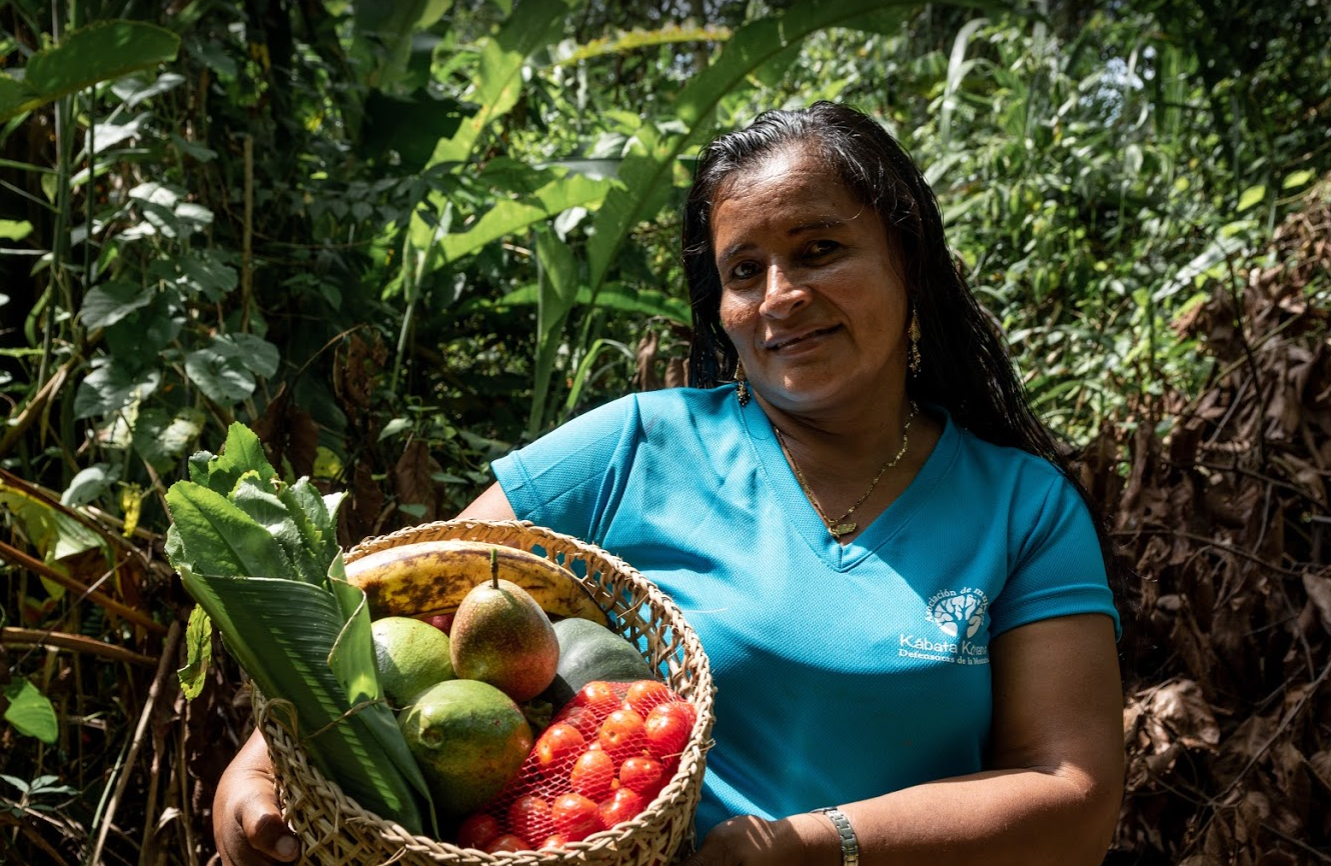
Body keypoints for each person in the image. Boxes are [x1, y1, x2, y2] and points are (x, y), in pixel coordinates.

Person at [213, 101, 1124, 866]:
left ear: (908, 259)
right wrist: (257, 772)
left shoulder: (1022, 507)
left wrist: (808, 846)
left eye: (817, 250)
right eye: (743, 270)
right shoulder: (633, 447)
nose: (778, 294)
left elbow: (1073, 798)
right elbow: (405, 611)